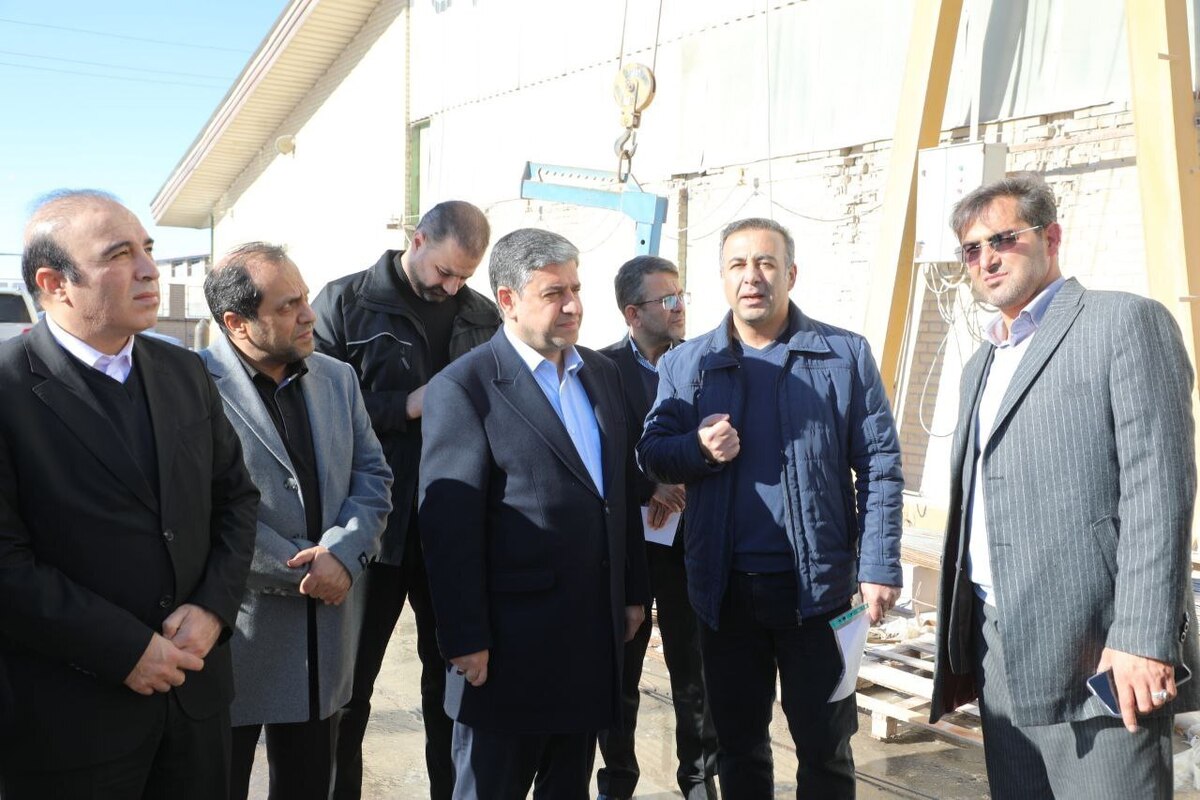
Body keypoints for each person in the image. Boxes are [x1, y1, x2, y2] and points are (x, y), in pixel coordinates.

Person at [930, 175, 1200, 798]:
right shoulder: (981, 365)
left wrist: (1142, 638)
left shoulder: (1124, 323)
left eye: (1003, 239)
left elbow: (1158, 492)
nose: (987, 259)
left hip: (1098, 652)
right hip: (999, 644)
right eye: (972, 249)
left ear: (1051, 238)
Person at [0, 189, 259, 798]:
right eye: (119, 254)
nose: (149, 269)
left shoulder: (185, 372)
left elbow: (236, 500)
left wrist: (214, 608)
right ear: (55, 284)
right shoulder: (9, 390)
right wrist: (123, 650)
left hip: (195, 698)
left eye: (147, 248)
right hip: (70, 724)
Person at [637, 217, 904, 798]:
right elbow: (653, 454)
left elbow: (880, 464)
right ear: (722, 277)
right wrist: (698, 449)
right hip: (725, 592)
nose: (752, 277)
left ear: (791, 274)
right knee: (739, 749)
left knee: (826, 750)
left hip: (819, 593)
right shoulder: (687, 365)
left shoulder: (843, 356)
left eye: (766, 263)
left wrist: (879, 564)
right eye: (738, 264)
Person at [418, 228, 649, 799]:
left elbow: (617, 493)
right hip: (506, 654)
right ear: (508, 300)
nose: (572, 305)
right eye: (553, 293)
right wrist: (464, 637)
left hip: (588, 643)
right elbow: (449, 530)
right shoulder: (464, 387)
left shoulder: (601, 374)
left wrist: (632, 592)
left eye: (576, 289)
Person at [311, 200, 500, 799]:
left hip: (456, 527)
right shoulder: (345, 303)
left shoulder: (483, 316)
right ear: (416, 241)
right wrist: (406, 405)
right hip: (372, 525)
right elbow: (313, 407)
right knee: (349, 689)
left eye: (464, 276)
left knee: (455, 685)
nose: (452, 287)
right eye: (445, 271)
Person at [200, 243, 393, 799]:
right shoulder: (191, 385)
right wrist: (305, 569)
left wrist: (344, 554)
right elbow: (197, 506)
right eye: (288, 305)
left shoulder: (337, 377)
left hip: (324, 636)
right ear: (237, 323)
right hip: (237, 630)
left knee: (309, 783)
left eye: (305, 297)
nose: (309, 314)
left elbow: (373, 474)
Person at [596, 255, 717, 800]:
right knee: (620, 673)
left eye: (681, 295)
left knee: (694, 674)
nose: (679, 307)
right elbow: (595, 455)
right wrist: (649, 487)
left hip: (688, 542)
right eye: (666, 299)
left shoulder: (703, 365)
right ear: (632, 312)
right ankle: (618, 782)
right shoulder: (599, 371)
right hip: (627, 546)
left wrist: (685, 477)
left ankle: (699, 781)